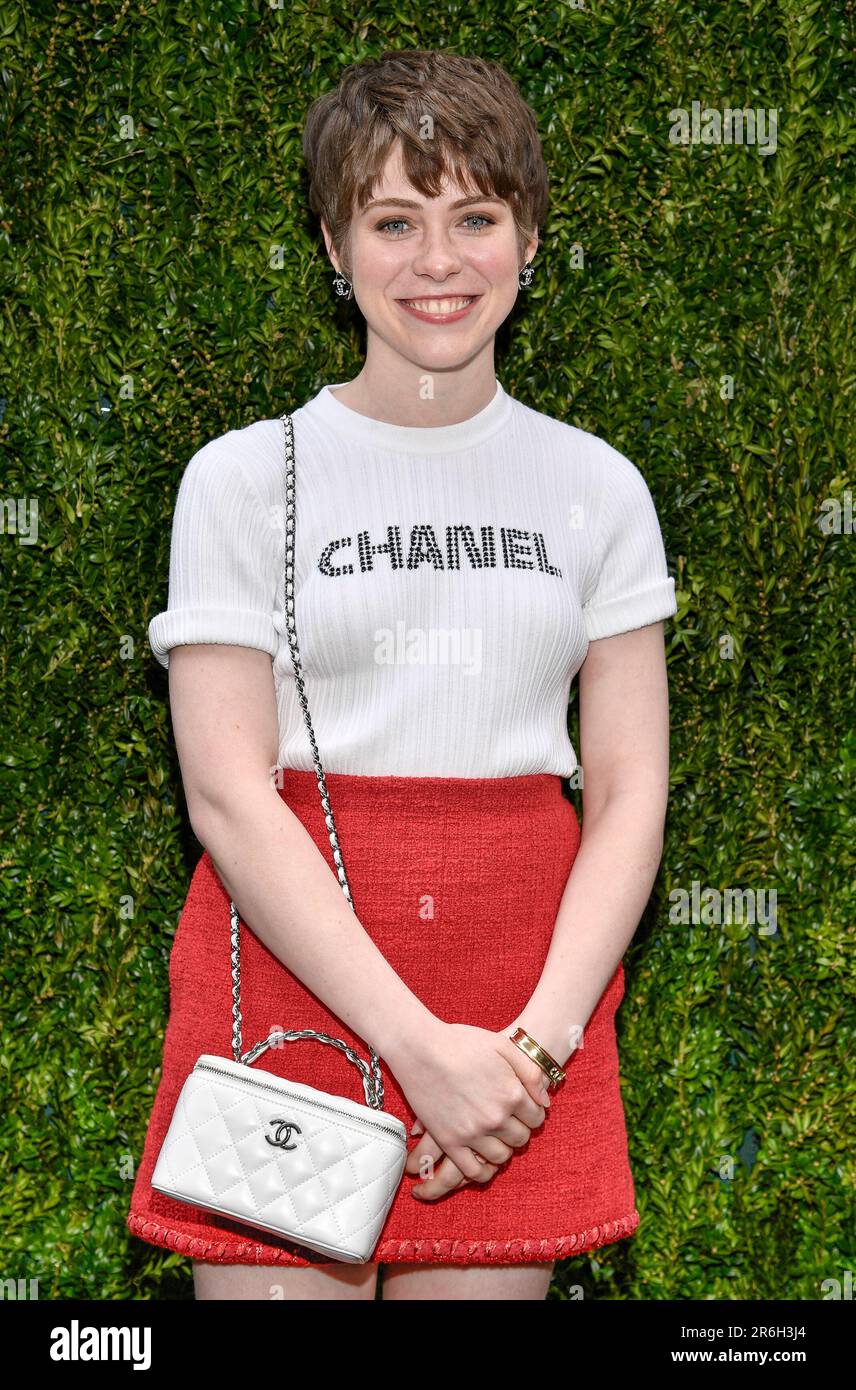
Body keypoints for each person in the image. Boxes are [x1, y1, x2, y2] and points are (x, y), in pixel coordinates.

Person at [127, 47, 677, 1301]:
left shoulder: (598, 487)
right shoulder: (238, 478)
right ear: (334, 242)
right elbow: (224, 793)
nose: (439, 261)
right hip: (294, 962)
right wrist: (411, 1044)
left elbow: (631, 790)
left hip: (526, 997)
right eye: (393, 220)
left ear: (528, 235)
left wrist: (524, 1052)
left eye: (475, 215)